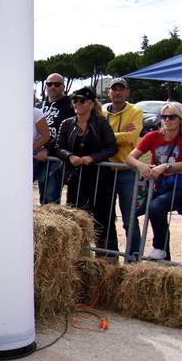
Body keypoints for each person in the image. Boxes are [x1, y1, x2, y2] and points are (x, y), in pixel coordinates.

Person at [55, 87, 118, 249]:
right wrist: (70, 156)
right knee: (76, 215)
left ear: (91, 104)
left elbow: (112, 147)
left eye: (81, 101)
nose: (77, 104)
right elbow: (58, 146)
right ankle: (79, 253)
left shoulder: (101, 123)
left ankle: (106, 255)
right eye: (74, 101)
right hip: (77, 177)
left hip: (100, 178)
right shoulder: (67, 124)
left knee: (104, 217)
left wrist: (93, 158)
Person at [125, 101, 182, 261]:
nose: (167, 120)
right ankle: (138, 256)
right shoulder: (152, 136)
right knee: (132, 213)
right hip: (157, 186)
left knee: (155, 207)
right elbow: (129, 157)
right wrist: (141, 165)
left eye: (172, 117)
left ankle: (159, 248)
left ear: (180, 119)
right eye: (164, 116)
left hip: (179, 186)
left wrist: (166, 166)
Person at [103, 77, 144, 257]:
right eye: (114, 89)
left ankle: (133, 258)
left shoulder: (136, 111)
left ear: (127, 92)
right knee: (106, 217)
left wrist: (107, 135)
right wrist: (117, 134)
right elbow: (96, 134)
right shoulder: (102, 110)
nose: (118, 92)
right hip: (105, 171)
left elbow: (131, 137)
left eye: (122, 89)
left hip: (127, 172)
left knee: (130, 220)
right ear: (109, 92)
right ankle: (110, 256)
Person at [37, 73, 75, 204]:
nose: (53, 87)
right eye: (49, 84)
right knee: (43, 194)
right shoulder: (41, 106)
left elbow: (64, 133)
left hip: (58, 157)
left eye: (57, 84)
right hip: (42, 157)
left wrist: (47, 148)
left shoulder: (70, 106)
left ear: (63, 87)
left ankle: (52, 224)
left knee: (51, 195)